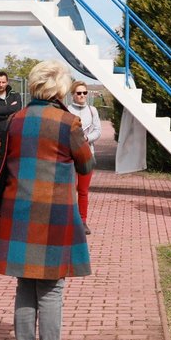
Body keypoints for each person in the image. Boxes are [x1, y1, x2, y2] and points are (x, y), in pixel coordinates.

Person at [0, 60, 93, 340]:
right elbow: (86, 163)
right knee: (51, 290)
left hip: (19, 213)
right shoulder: (68, 122)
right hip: (53, 215)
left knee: (25, 287)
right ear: (60, 88)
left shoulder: (15, 120)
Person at [66, 80, 102, 235]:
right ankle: (69, 221)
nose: (82, 96)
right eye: (79, 93)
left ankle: (82, 221)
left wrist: (88, 139)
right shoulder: (67, 110)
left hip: (87, 154)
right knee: (69, 189)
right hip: (70, 156)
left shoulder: (92, 110)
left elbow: (98, 130)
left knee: (83, 190)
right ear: (73, 95)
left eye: (84, 93)